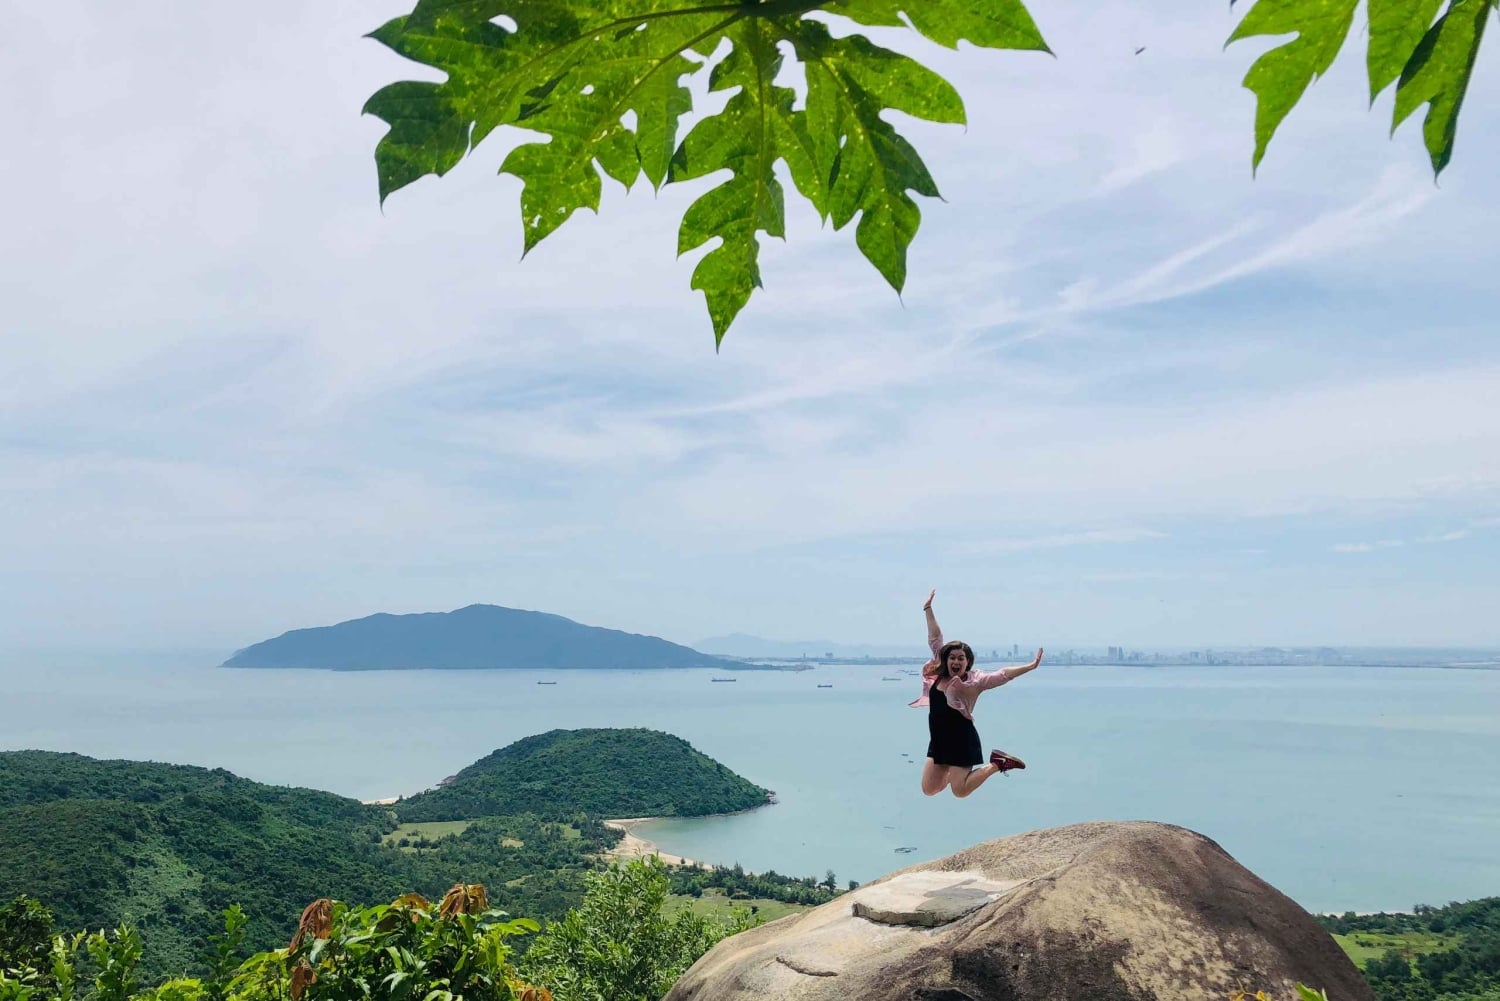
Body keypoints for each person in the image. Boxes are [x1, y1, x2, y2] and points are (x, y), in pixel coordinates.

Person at [910, 590, 1043, 798]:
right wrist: (927, 608)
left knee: (960, 791)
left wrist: (1031, 666)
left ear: (967, 662)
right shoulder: (937, 673)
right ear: (946, 660)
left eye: (961, 658)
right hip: (938, 740)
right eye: (952, 657)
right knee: (929, 789)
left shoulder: (975, 682)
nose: (956, 662)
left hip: (961, 739)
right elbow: (935, 638)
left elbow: (1002, 675)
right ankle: (955, 772)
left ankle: (997, 764)